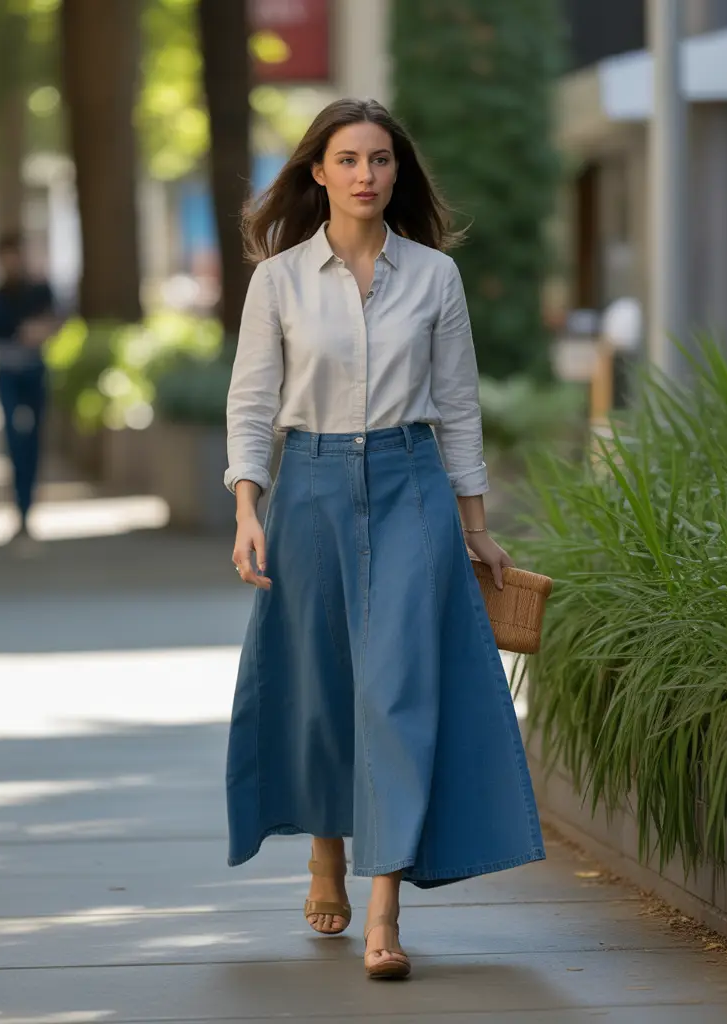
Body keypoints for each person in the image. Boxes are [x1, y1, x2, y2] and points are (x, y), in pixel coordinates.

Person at [224, 98, 546, 981]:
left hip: (412, 486)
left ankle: (384, 908)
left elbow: (459, 406)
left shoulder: (435, 277)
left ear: (398, 173)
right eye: (348, 159)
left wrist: (476, 527)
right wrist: (249, 508)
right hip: (311, 487)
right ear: (318, 172)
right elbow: (252, 402)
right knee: (325, 684)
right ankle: (325, 850)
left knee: (397, 689)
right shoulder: (279, 281)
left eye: (380, 159)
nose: (366, 174)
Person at [0, 232, 56, 547]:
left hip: (34, 372)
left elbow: (54, 324)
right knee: (15, 441)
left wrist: (38, 332)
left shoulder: (39, 290)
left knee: (34, 441)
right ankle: (20, 507)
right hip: (9, 374)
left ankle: (28, 505)